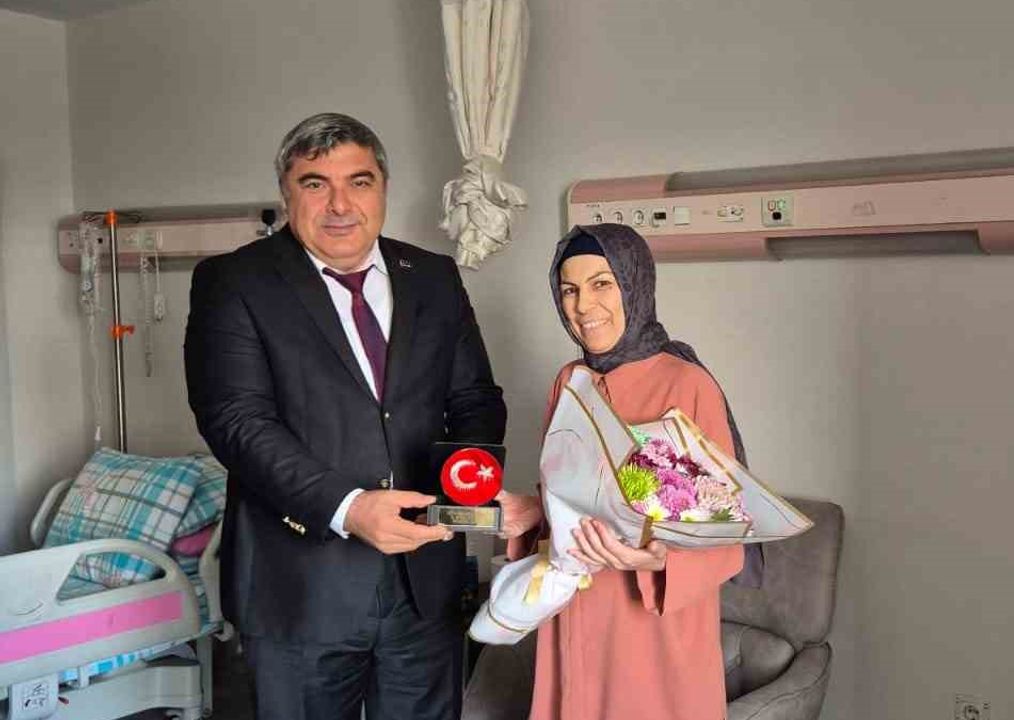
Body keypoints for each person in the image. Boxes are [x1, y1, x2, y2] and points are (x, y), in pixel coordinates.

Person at [184, 112, 506, 720]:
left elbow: (474, 399)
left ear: (383, 187)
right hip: (299, 589)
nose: (340, 205)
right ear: (287, 192)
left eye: (359, 182)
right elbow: (237, 421)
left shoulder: (433, 277)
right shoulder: (234, 282)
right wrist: (348, 507)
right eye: (315, 184)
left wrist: (469, 487)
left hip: (424, 582)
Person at [497, 223, 746, 720]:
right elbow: (568, 497)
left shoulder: (687, 385)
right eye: (570, 289)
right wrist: (532, 512)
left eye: (601, 284)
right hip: (574, 613)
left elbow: (726, 535)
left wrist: (656, 559)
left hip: (652, 630)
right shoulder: (570, 381)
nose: (583, 305)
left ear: (636, 284)